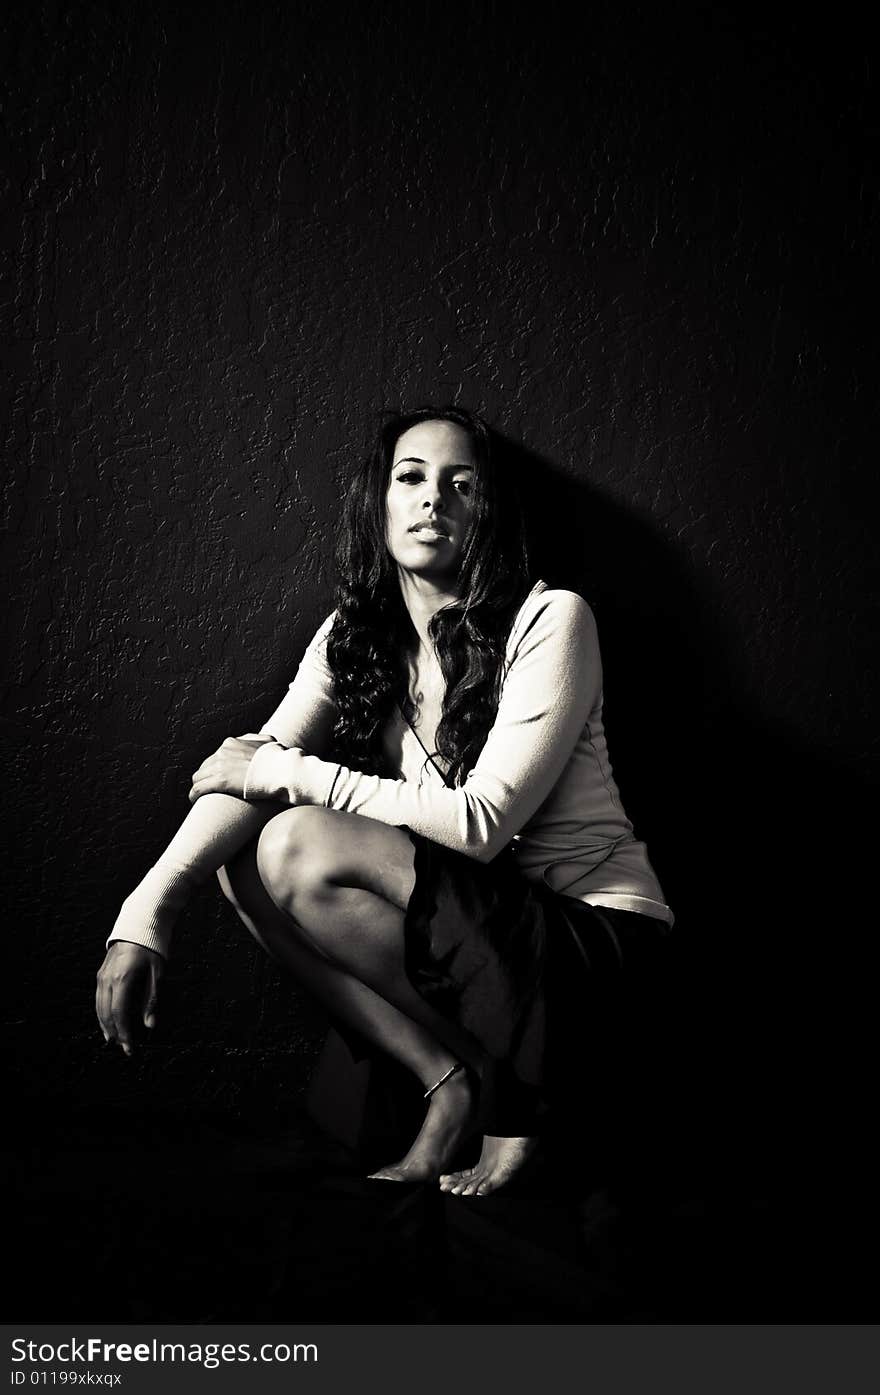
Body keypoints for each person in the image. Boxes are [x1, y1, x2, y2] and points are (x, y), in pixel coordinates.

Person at [96, 406, 673, 1197]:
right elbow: (250, 769)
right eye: (411, 478)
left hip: (590, 946)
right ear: (380, 502)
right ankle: (452, 1079)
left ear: (487, 513)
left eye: (460, 485)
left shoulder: (552, 618)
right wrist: (147, 913)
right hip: (487, 936)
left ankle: (518, 1088)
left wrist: (290, 774)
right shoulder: (355, 634)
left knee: (297, 834)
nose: (433, 499)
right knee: (249, 862)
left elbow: (479, 825)